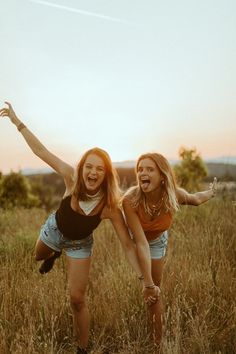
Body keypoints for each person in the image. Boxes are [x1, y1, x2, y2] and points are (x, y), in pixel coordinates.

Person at [0, 102, 159, 354]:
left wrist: (144, 279)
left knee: (77, 299)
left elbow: (128, 245)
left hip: (79, 244)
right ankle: (53, 253)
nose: (93, 172)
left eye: (99, 168)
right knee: (37, 255)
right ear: (82, 167)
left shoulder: (109, 206)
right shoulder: (70, 178)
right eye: (89, 166)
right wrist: (17, 122)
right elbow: (41, 151)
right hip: (55, 230)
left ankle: (82, 349)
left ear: (106, 174)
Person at [122, 152, 217, 350]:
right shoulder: (130, 200)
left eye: (149, 169)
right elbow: (140, 242)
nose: (142, 173)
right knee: (150, 286)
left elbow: (195, 199)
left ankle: (157, 345)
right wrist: (145, 282)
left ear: (162, 175)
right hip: (136, 242)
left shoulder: (173, 193)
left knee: (155, 292)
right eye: (140, 169)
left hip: (157, 241)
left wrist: (211, 192)